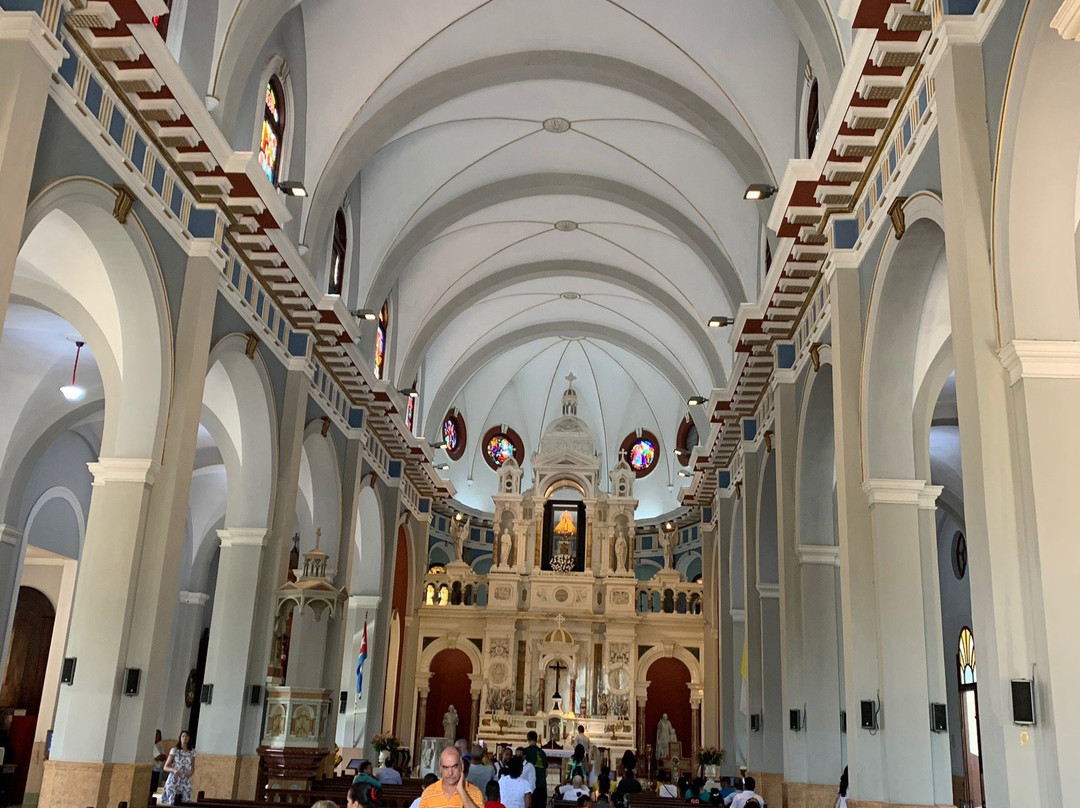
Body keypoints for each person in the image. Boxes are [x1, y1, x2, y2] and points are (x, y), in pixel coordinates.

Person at [419, 746, 485, 808]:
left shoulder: (475, 792)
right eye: (446, 767)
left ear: (462, 766)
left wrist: (461, 791)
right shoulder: (428, 793)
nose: (450, 773)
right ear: (440, 768)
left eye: (454, 767)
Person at [161, 730, 195, 805]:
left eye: (186, 736)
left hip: (185, 778)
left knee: (186, 800)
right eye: (183, 736)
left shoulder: (192, 752)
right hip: (175, 777)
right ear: (180, 738)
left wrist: (191, 772)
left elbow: (192, 766)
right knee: (171, 800)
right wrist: (173, 770)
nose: (185, 738)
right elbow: (165, 767)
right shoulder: (175, 750)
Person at [522, 732, 547, 807]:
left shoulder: (525, 752)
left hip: (529, 788)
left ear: (528, 738)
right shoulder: (542, 753)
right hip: (542, 786)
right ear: (537, 739)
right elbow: (546, 773)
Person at [150, 729, 166, 797]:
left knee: (154, 787)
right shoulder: (152, 746)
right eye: (157, 735)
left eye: (160, 735)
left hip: (158, 769)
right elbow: (158, 757)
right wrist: (161, 756)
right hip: (152, 769)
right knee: (151, 787)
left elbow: (164, 757)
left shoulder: (159, 747)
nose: (159, 737)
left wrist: (161, 757)